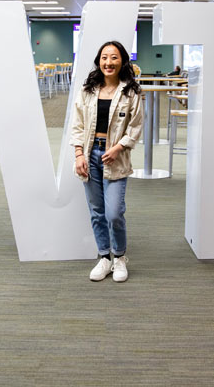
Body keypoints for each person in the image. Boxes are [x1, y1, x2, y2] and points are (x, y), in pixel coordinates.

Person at [70, 41, 143, 282]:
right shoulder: (88, 90)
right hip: (89, 155)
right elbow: (78, 124)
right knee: (97, 212)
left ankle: (120, 257)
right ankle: (104, 257)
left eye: (113, 57)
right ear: (98, 61)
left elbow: (135, 128)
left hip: (116, 157)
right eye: (104, 57)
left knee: (114, 212)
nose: (108, 62)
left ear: (122, 60)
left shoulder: (131, 91)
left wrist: (118, 147)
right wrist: (79, 154)